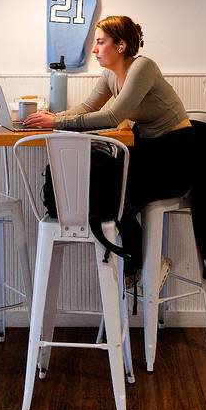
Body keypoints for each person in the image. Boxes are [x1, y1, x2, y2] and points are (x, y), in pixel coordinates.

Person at [24, 15, 192, 283]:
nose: (94, 49)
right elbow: (87, 108)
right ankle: (143, 262)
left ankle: (143, 263)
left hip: (176, 155)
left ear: (121, 46)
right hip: (148, 150)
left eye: (100, 42)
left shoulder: (143, 67)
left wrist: (56, 121)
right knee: (109, 189)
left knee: (115, 191)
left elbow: (112, 116)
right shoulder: (110, 76)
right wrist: (53, 116)